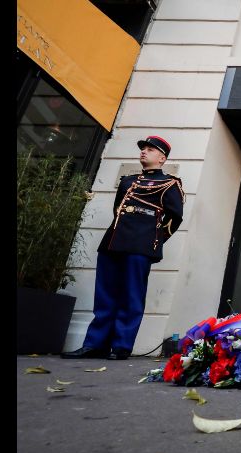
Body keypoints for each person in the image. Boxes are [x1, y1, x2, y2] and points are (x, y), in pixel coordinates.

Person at [62, 136, 184, 360]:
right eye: (143, 149)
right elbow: (118, 210)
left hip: (140, 245)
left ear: (162, 158)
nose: (143, 152)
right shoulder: (128, 181)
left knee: (131, 296)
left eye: (150, 149)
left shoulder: (170, 184)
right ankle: (95, 344)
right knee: (105, 296)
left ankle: (120, 346)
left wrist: (154, 241)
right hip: (113, 241)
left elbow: (174, 219)